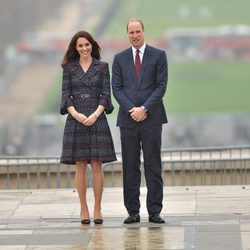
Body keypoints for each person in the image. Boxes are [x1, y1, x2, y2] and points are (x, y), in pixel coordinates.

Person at [112, 19, 168, 224]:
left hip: (152, 119)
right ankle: (132, 211)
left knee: (153, 165)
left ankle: (154, 211)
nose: (135, 35)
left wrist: (144, 109)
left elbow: (161, 87)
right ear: (127, 34)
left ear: (144, 31)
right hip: (128, 121)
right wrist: (131, 110)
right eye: (131, 32)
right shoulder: (119, 59)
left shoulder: (159, 56)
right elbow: (116, 88)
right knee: (130, 165)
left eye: (138, 31)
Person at [60, 30, 117, 225]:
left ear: (92, 45)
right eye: (80, 46)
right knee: (80, 165)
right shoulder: (68, 68)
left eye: (87, 45)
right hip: (76, 117)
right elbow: (65, 95)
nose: (84, 48)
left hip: (97, 117)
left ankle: (97, 208)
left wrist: (95, 114)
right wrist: (76, 114)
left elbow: (105, 94)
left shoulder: (102, 67)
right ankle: (83, 208)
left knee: (97, 165)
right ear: (75, 48)